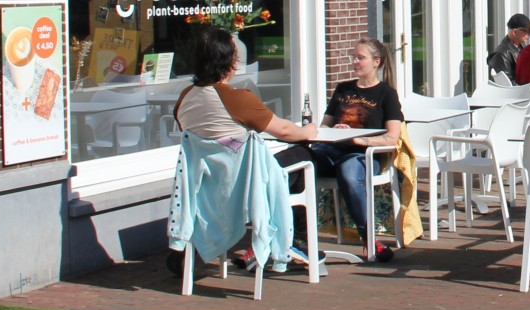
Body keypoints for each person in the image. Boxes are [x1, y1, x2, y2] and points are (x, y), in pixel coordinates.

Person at [171, 26, 319, 272]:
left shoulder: (185, 98)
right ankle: (294, 240)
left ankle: (195, 248)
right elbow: (283, 131)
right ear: (230, 61)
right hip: (244, 186)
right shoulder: (238, 98)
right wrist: (308, 132)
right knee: (304, 155)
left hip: (204, 188)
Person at [310, 37, 404, 261]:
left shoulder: (386, 94)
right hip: (333, 149)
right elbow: (325, 126)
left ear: (376, 62)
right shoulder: (343, 89)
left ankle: (369, 239)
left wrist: (362, 141)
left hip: (362, 154)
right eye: (353, 57)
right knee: (300, 164)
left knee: (349, 174)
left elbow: (393, 137)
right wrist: (336, 129)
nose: (354, 62)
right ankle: (294, 237)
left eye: (360, 58)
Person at [487, 11, 529, 81]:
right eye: (526, 32)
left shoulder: (522, 46)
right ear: (515, 32)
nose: (528, 35)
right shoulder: (502, 54)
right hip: (515, 91)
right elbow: (507, 84)